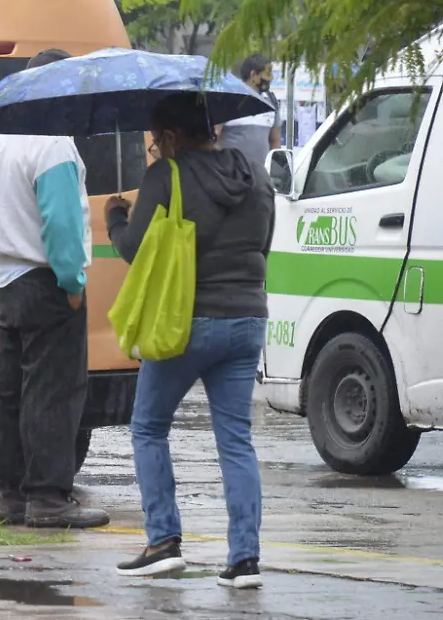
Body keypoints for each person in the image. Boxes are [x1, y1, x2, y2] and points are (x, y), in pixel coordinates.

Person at [104, 92, 274, 588]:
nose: (156, 149)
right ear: (213, 129)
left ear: (173, 137)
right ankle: (245, 560)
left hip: (186, 321)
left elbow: (135, 250)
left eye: (157, 142)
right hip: (247, 318)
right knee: (236, 440)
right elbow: (262, 242)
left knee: (149, 426)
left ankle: (163, 542)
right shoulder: (255, 175)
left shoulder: (167, 176)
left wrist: (116, 218)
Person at [0, 48, 110, 530]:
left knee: (10, 389)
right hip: (47, 281)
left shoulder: (2, 142)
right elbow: (61, 226)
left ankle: (11, 494)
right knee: (53, 391)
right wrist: (73, 282)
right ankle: (48, 498)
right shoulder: (54, 146)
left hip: (8, 279)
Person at [216, 52, 282, 170]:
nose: (270, 78)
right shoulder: (229, 99)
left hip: (260, 178)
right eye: (267, 74)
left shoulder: (271, 102)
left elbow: (275, 141)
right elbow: (214, 138)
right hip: (231, 176)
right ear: (253, 75)